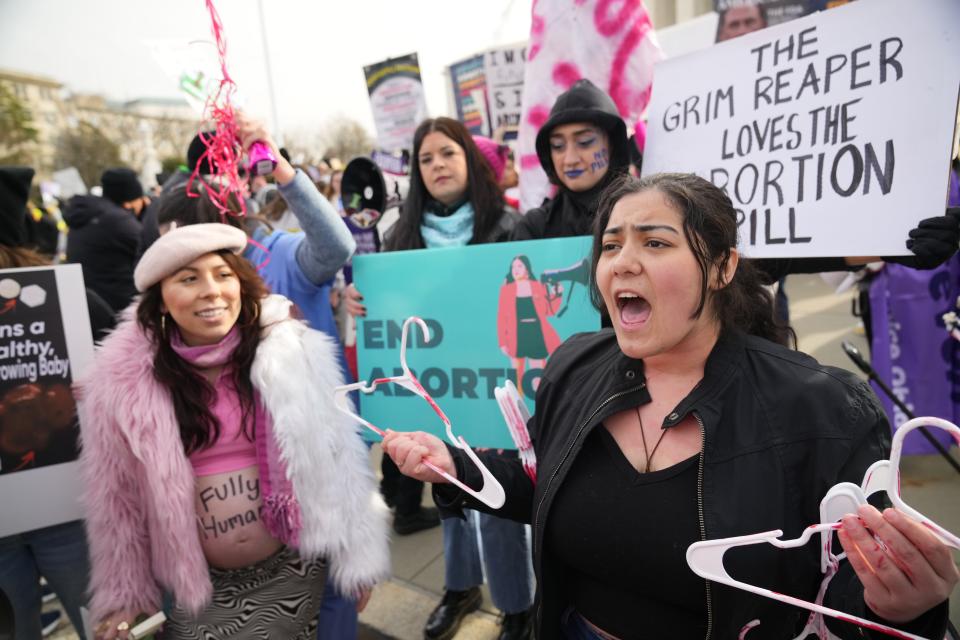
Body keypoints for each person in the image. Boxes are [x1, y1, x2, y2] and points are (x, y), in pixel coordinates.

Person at [382, 173, 956, 639]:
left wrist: (905, 609)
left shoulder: (823, 410)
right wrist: (453, 466)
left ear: (723, 267)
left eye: (655, 243)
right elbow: (541, 482)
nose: (623, 263)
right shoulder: (574, 366)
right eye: (611, 246)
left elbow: (850, 591)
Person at [77, 223, 389, 640]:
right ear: (163, 302)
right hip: (200, 595)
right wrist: (124, 598)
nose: (211, 290)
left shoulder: (291, 352)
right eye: (189, 279)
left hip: (295, 573)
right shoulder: (121, 386)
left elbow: (338, 455)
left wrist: (358, 555)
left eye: (223, 275)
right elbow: (115, 501)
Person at [152, 118, 364, 640]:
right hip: (232, 553)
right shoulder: (178, 276)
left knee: (333, 609)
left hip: (316, 472)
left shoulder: (284, 252)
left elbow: (336, 247)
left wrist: (286, 173)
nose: (213, 292)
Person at [346, 118, 534, 639]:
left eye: (447, 153)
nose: (438, 166)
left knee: (495, 496)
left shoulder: (507, 225)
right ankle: (460, 587)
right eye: (426, 159)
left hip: (493, 386)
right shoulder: (398, 235)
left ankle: (518, 606)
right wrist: (358, 301)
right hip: (436, 387)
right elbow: (389, 305)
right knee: (446, 492)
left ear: (468, 160)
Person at [0, 166, 116, 640]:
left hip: (62, 503)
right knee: (104, 621)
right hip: (68, 506)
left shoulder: (62, 298)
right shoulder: (62, 295)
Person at [511, 79, 631, 241]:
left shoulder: (649, 213)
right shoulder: (534, 229)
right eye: (558, 145)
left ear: (613, 145)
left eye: (585, 142)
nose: (570, 159)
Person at [63, 167, 147, 312]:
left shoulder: (88, 214)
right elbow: (151, 251)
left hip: (89, 303)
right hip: (119, 306)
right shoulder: (119, 221)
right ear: (130, 202)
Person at [497, 255, 561, 394]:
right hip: (516, 335)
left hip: (536, 333)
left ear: (527, 269)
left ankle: (539, 411)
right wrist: (502, 342)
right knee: (516, 381)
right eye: (513, 267)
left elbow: (548, 311)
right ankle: (518, 412)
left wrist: (557, 294)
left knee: (538, 378)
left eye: (519, 266)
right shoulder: (506, 289)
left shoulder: (538, 286)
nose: (516, 270)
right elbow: (501, 317)